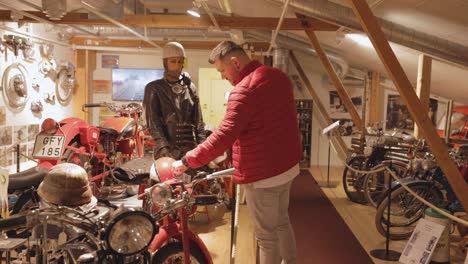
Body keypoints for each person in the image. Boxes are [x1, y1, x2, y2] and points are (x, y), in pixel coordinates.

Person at [173, 40, 302, 264]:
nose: (223, 76)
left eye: (223, 70)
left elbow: (223, 137)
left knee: (266, 237)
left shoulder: (245, 90)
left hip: (264, 174)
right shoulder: (278, 77)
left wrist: (187, 160)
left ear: (236, 62)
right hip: (287, 167)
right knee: (281, 221)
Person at [143, 42, 206, 160]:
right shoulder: (154, 88)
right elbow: (153, 121)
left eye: (180, 61)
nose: (177, 66)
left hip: (189, 150)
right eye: (173, 61)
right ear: (165, 63)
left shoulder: (190, 87)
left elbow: (198, 121)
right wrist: (163, 148)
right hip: (167, 149)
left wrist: (204, 148)